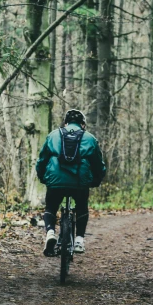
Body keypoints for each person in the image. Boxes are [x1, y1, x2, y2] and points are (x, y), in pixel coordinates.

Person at [36, 109, 106, 256]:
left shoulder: (53, 135)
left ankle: (50, 233)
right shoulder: (90, 138)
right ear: (83, 125)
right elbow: (98, 164)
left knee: (51, 206)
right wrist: (96, 180)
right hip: (80, 181)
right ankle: (79, 240)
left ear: (66, 123)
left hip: (55, 179)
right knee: (81, 207)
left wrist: (43, 177)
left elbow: (42, 160)